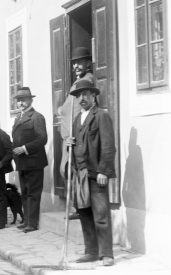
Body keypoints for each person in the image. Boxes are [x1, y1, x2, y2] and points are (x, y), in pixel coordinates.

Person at [65, 79, 116, 267]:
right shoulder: (76, 119)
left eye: (85, 94)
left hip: (96, 173)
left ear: (93, 96)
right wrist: (69, 145)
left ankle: (106, 253)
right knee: (84, 212)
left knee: (101, 214)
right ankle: (91, 251)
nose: (81, 98)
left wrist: (104, 170)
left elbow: (109, 146)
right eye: (78, 95)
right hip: (79, 172)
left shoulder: (101, 116)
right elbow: (76, 146)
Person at [58, 46, 95, 221]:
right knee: (66, 170)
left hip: (76, 135)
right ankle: (77, 205)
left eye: (80, 62)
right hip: (68, 135)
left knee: (73, 170)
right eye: (74, 63)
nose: (76, 66)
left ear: (88, 63)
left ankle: (81, 207)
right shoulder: (78, 81)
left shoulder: (87, 81)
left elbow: (85, 109)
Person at [11, 87, 48, 233]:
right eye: (19, 100)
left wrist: (25, 148)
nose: (21, 103)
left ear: (31, 100)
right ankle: (26, 220)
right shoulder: (18, 118)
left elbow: (42, 139)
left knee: (33, 193)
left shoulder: (37, 117)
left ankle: (32, 223)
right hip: (21, 162)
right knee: (25, 192)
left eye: (23, 100)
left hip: (34, 161)